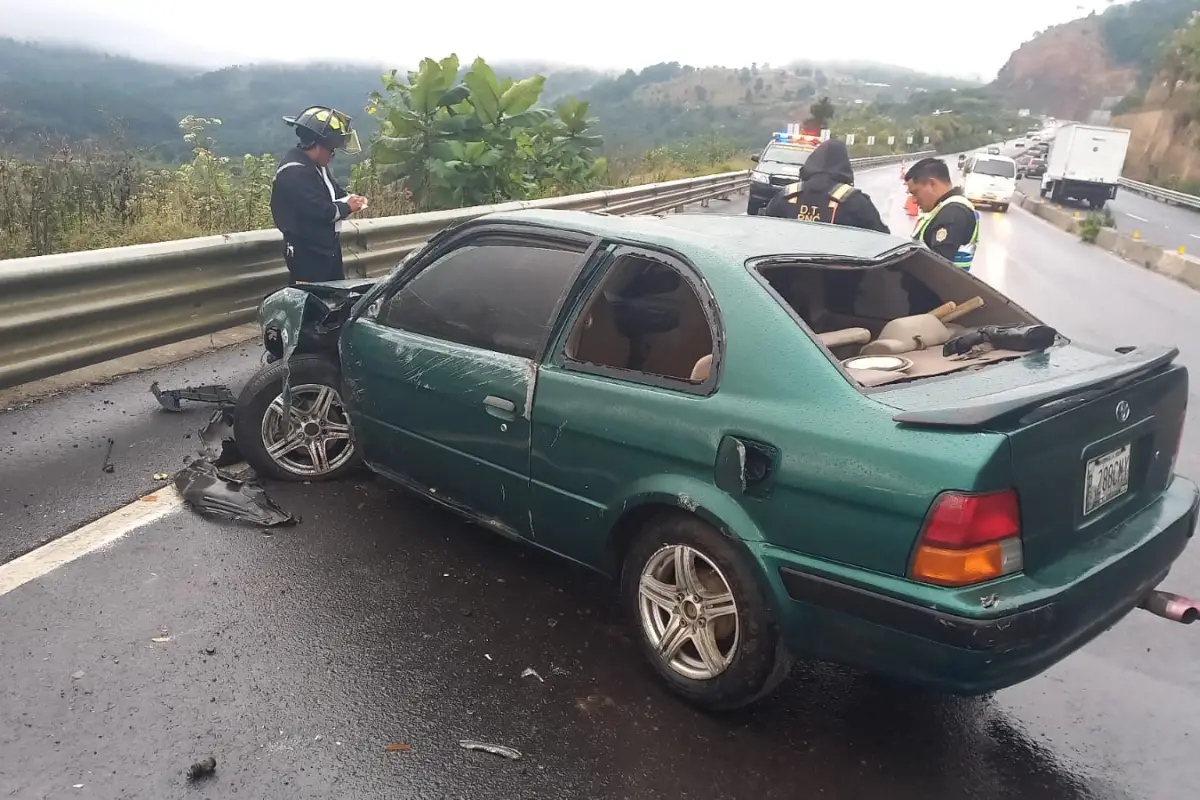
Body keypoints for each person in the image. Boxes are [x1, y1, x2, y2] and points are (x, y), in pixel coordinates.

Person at [270, 106, 369, 284]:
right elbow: (320, 210)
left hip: (325, 249)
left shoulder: (315, 167)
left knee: (335, 298)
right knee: (314, 302)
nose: (333, 153)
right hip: (307, 254)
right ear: (316, 145)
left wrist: (350, 197)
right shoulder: (294, 172)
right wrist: (347, 207)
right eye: (331, 148)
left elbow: (334, 191)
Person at [762, 140, 889, 233]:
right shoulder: (855, 202)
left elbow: (764, 231)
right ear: (844, 165)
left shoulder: (787, 195)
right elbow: (881, 239)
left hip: (786, 268)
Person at [904, 157, 980, 271]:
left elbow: (937, 268)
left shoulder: (953, 213)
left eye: (915, 193)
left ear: (932, 184)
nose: (914, 200)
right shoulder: (943, 209)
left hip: (944, 288)